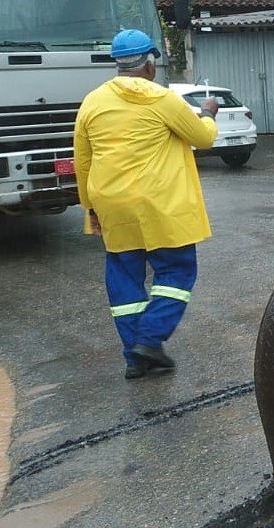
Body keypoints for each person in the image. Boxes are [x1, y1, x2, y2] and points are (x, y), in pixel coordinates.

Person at [73, 29, 219, 379]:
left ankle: (135, 358)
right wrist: (208, 113)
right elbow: (204, 138)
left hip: (112, 206)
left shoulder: (92, 102)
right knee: (177, 272)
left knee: (124, 282)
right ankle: (150, 341)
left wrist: (89, 207)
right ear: (150, 64)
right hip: (161, 207)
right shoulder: (162, 99)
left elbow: (82, 161)